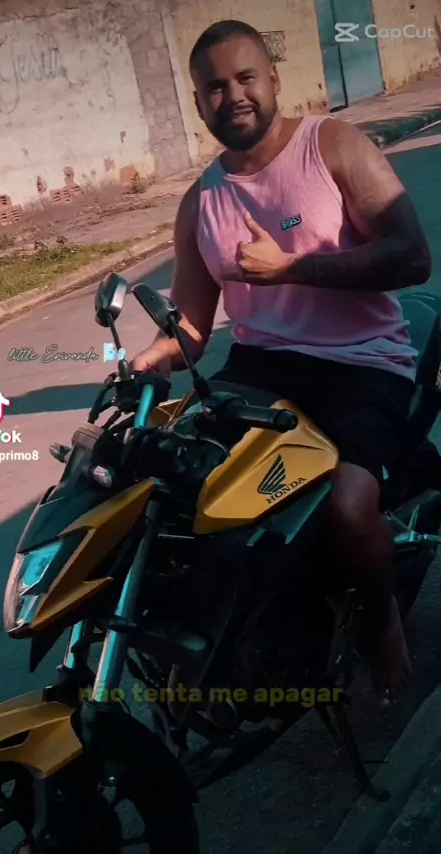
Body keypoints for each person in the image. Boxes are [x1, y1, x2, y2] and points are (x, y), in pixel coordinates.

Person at [131, 19, 432, 702]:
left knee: (348, 508)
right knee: (182, 494)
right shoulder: (200, 201)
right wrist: (153, 356)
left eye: (245, 78)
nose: (232, 95)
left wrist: (296, 268)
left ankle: (381, 615)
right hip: (262, 367)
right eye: (214, 87)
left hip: (362, 362)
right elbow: (192, 328)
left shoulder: (332, 146)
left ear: (272, 78)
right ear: (199, 102)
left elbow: (412, 256)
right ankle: (225, 632)